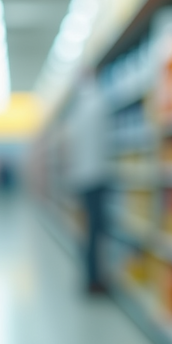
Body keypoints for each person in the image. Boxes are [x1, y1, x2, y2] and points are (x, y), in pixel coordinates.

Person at [67, 82, 108, 294]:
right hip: (95, 177)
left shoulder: (76, 110)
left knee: (85, 231)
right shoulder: (98, 102)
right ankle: (93, 279)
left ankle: (88, 274)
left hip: (80, 179)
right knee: (95, 231)